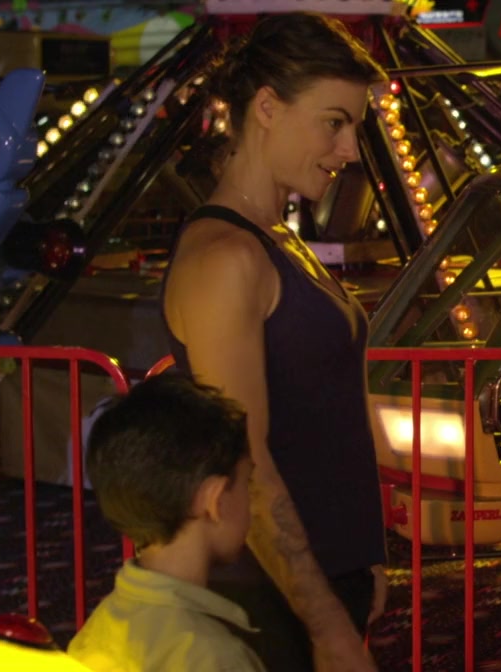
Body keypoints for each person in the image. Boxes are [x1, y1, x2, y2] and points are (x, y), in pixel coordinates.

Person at [160, 12, 388, 672]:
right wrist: (325, 621)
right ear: (266, 107)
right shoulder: (226, 256)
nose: (350, 150)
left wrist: (363, 558)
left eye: (355, 127)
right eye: (334, 122)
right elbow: (247, 459)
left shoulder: (276, 240)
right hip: (269, 592)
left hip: (321, 573)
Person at [67, 374, 265, 671]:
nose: (252, 500)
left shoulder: (95, 632)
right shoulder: (214, 657)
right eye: (247, 483)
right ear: (216, 500)